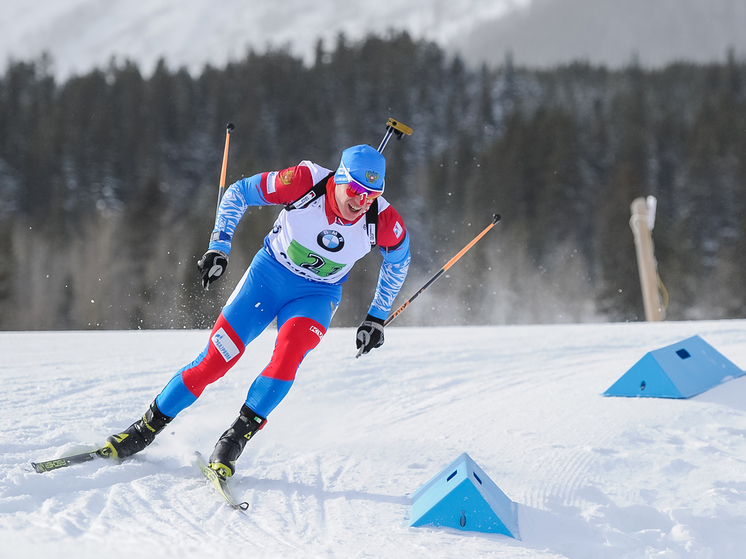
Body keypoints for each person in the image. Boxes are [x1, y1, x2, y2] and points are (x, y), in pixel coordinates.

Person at [99, 144, 411, 478]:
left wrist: (377, 315)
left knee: (288, 355)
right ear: (339, 178)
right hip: (267, 279)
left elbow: (399, 261)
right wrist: (219, 246)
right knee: (215, 362)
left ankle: (233, 441)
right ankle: (144, 430)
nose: (361, 202)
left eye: (371, 194)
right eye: (355, 190)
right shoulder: (304, 182)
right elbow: (238, 193)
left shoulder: (383, 220)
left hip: (316, 295)